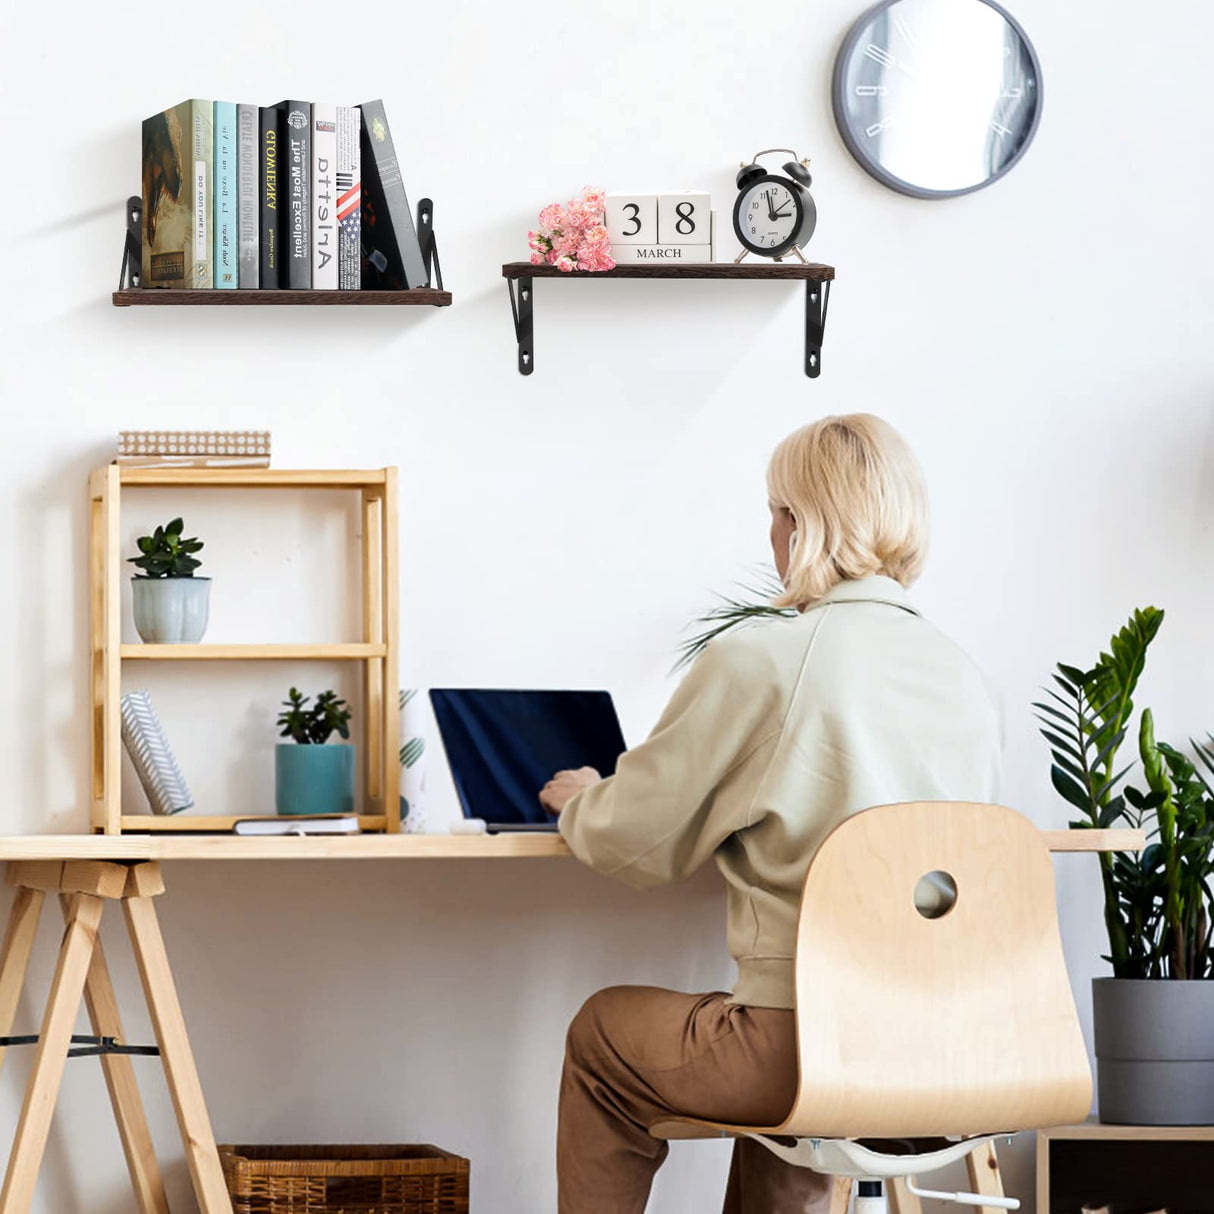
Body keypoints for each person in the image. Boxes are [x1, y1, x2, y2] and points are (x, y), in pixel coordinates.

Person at [539, 413, 1003, 1214]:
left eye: (776, 510)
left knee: (600, 1038)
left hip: (805, 1050)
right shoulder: (963, 675)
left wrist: (586, 802)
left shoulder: (767, 660)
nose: (772, 532)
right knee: (796, 1090)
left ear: (801, 523)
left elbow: (638, 844)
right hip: (953, 1048)